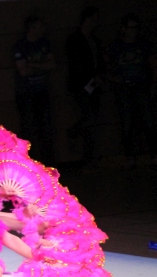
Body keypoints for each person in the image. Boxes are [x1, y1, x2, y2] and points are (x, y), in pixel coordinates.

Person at [105, 13, 157, 169]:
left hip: (141, 87)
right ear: (124, 29)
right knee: (127, 124)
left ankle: (153, 154)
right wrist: (113, 78)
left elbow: (154, 65)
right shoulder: (117, 47)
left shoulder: (143, 45)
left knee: (148, 122)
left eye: (136, 28)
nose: (133, 31)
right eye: (130, 28)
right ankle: (130, 156)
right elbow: (105, 63)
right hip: (124, 88)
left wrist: (153, 86)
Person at [66, 7, 106, 170]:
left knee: (92, 118)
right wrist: (91, 78)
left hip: (93, 84)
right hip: (81, 85)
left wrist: (98, 76)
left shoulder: (93, 39)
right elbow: (77, 64)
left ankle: (89, 155)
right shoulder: (75, 40)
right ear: (87, 19)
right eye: (94, 19)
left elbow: (98, 60)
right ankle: (77, 137)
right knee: (89, 117)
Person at [14, 16, 57, 166]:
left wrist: (32, 64)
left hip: (42, 92)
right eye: (39, 26)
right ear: (31, 29)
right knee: (29, 131)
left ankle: (48, 165)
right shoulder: (21, 46)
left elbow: (52, 65)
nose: (43, 29)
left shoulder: (44, 43)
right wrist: (42, 66)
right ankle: (30, 165)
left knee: (46, 129)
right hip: (26, 94)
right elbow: (23, 71)